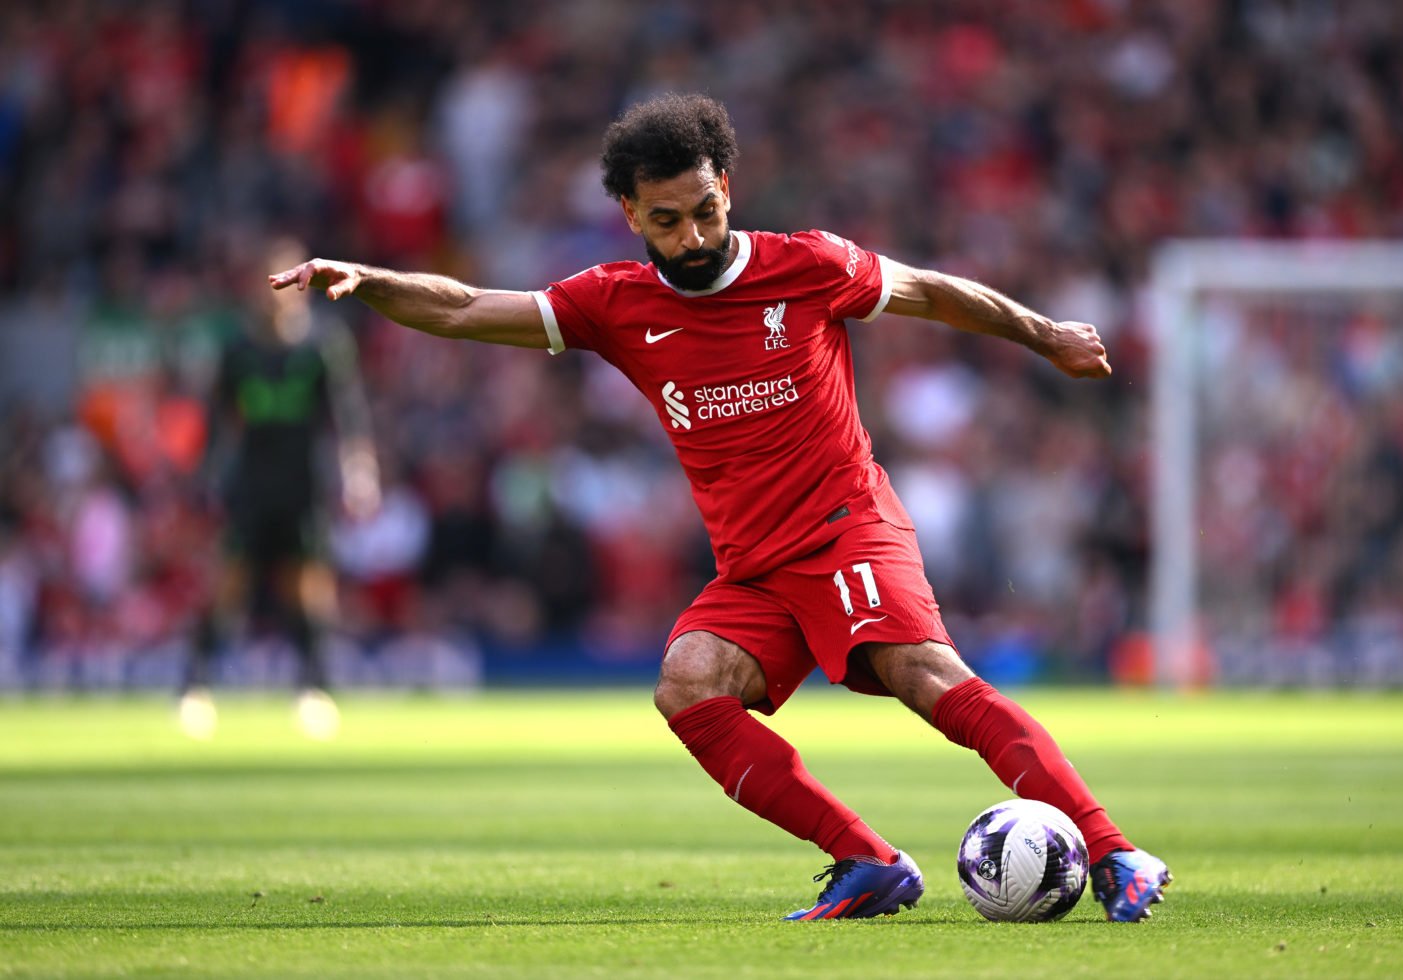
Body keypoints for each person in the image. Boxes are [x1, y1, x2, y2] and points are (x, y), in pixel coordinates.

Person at [269, 94, 1170, 920]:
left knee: (921, 677)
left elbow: (932, 291)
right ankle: (870, 862)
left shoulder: (808, 266)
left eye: (706, 209)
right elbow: (467, 308)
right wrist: (374, 282)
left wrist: (1043, 333)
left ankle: (1114, 851)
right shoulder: (613, 303)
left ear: (726, 187)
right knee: (688, 686)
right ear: (631, 215)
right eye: (667, 221)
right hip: (756, 565)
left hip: (845, 526)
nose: (694, 235)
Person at [181, 237, 378, 741]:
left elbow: (349, 419)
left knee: (309, 593)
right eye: (269, 286)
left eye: (286, 286)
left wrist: (360, 472)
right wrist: (203, 480)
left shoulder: (322, 346)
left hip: (304, 487)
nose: (276, 296)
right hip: (250, 486)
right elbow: (215, 423)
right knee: (229, 588)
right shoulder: (237, 350)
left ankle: (314, 690)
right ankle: (194, 688)